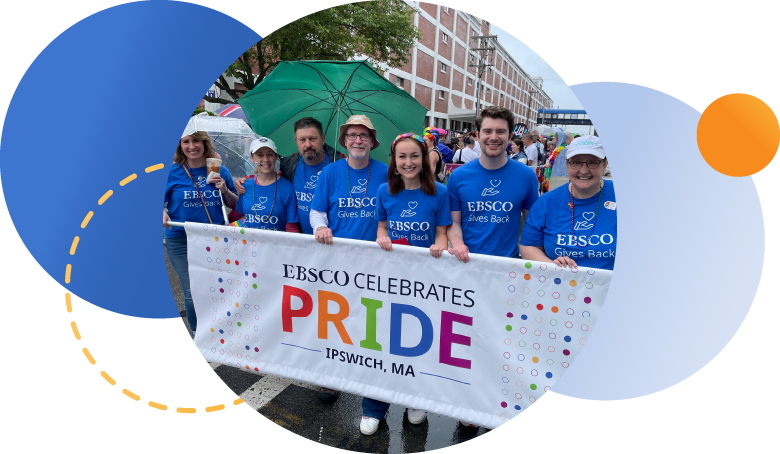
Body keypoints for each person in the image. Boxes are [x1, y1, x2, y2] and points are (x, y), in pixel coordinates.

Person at [365, 133, 453, 435]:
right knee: (380, 342)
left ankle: (416, 399)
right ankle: (374, 406)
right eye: (401, 157)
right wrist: (381, 237)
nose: (408, 162)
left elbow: (442, 232)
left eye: (414, 156)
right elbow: (381, 226)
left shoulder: (439, 192)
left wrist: (440, 244)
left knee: (418, 342)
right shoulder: (383, 190)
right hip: (389, 279)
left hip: (424, 282)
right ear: (394, 161)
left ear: (425, 158)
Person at [163, 130, 237, 337]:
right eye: (185, 141)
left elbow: (233, 204)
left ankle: (223, 328)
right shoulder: (172, 172)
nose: (191, 146)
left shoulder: (219, 170)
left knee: (219, 285)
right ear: (180, 146)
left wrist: (224, 189)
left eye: (196, 141)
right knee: (191, 289)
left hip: (215, 237)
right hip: (181, 238)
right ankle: (199, 334)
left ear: (204, 143)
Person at [520, 135, 616, 270]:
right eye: (576, 162)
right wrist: (551, 265)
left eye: (593, 162)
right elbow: (529, 245)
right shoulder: (546, 203)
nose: (583, 171)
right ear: (566, 164)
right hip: (561, 287)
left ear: (605, 164)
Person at [230, 138, 299, 231]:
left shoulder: (288, 188)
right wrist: (216, 223)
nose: (265, 159)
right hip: (249, 244)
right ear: (252, 158)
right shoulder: (245, 186)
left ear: (276, 157)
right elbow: (238, 213)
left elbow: (291, 225)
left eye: (270, 155)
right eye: (260, 155)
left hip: (276, 244)